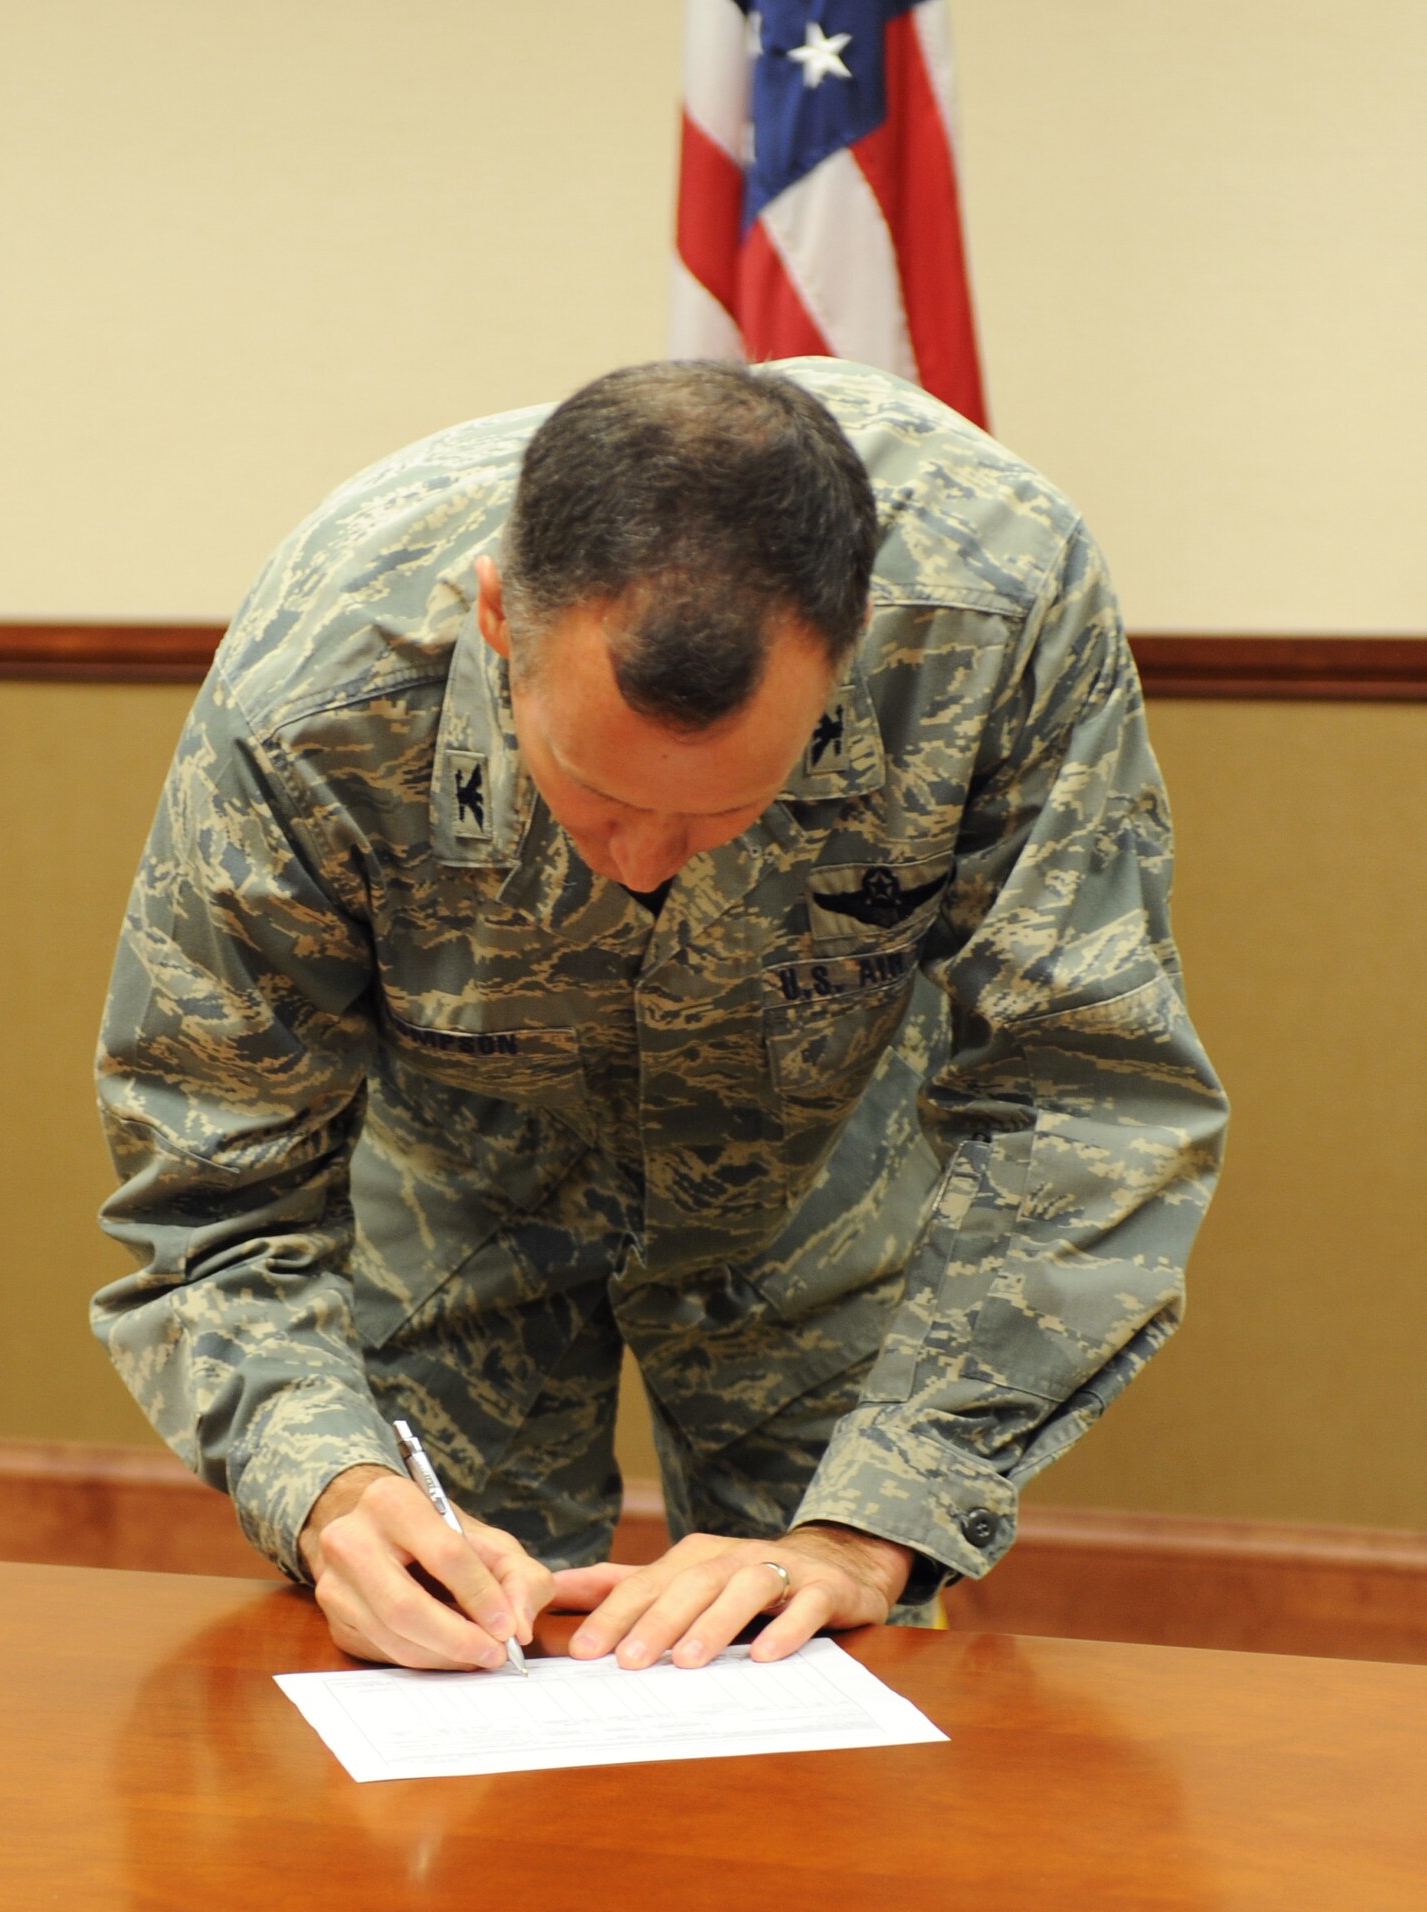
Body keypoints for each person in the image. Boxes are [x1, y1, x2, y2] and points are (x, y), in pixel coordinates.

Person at [94, 359, 1227, 1675]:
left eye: (725, 808)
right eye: (592, 788)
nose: (642, 859)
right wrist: (331, 1487)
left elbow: (1084, 1091)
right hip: (457, 1199)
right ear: (498, 619)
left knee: (815, 1713)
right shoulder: (316, 686)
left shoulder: (994, 608)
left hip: (820, 1193)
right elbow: (215, 1179)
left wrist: (868, 1528)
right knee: (438, 1670)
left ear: (848, 653)